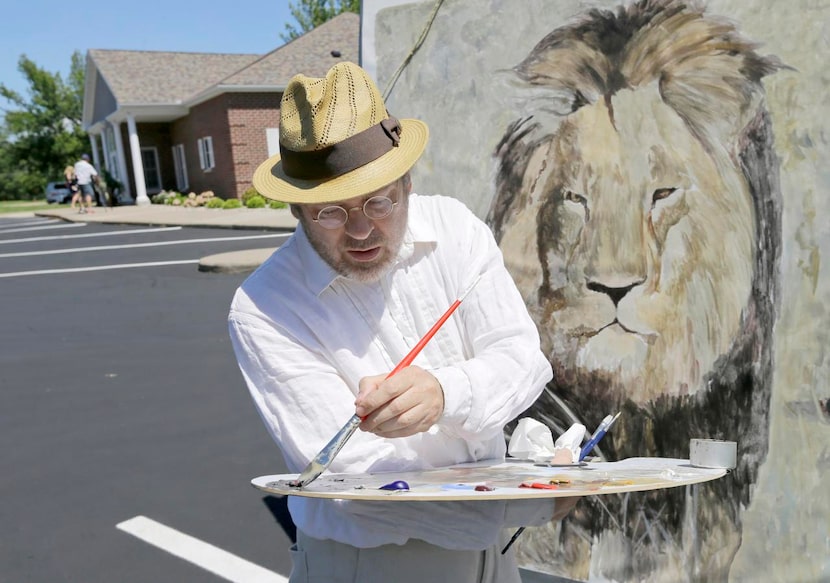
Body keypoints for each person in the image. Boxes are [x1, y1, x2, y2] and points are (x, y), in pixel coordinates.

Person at [228, 62, 576, 583]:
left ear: (408, 179)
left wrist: (445, 393)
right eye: (331, 212)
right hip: (370, 564)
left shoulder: (455, 229)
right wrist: (522, 504)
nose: (363, 229)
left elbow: (522, 359)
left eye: (380, 200)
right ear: (296, 208)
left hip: (496, 557)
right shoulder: (263, 307)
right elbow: (356, 483)